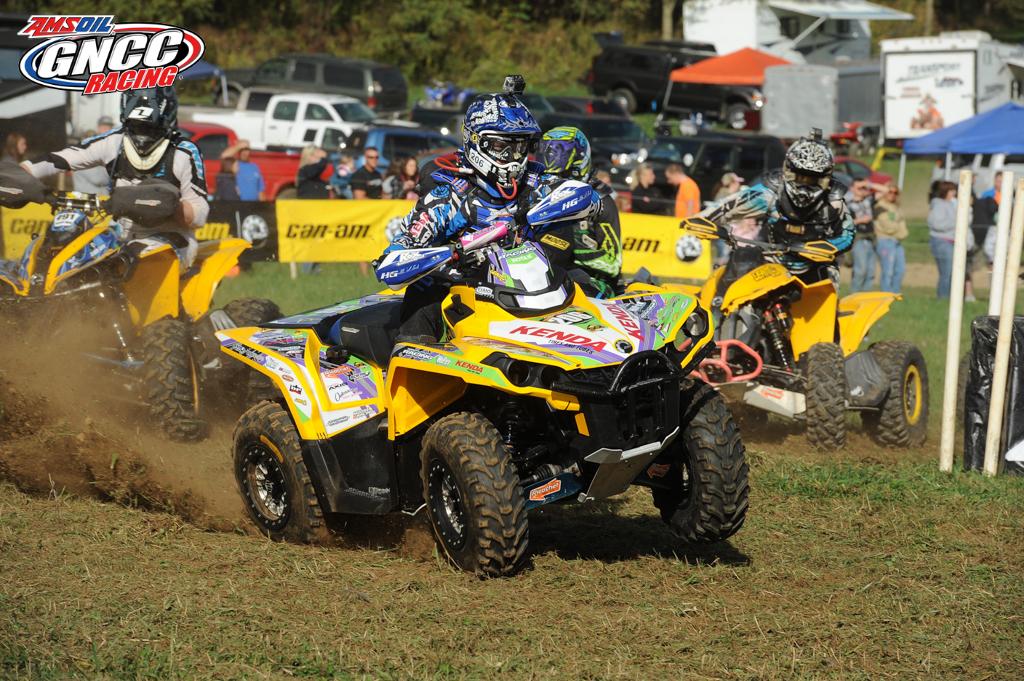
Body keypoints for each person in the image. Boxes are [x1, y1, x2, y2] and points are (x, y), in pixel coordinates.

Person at [381, 88, 598, 342]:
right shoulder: (450, 196)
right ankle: (414, 374)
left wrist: (532, 215)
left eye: (520, 147)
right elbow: (391, 265)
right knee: (423, 294)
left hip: (530, 287)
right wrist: (451, 254)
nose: (513, 157)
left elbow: (587, 196)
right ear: (477, 141)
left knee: (588, 285)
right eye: (501, 146)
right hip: (467, 288)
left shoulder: (533, 181)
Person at [23, 86, 208, 266]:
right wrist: (23, 172)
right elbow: (61, 158)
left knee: (127, 261)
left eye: (149, 127)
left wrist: (168, 206)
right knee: (67, 251)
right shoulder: (114, 141)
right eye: (136, 126)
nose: (142, 135)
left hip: (172, 239)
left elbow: (200, 213)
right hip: (122, 236)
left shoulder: (184, 152)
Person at [697, 129, 854, 292]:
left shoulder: (834, 202)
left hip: (815, 267)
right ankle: (720, 305)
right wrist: (702, 220)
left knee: (829, 290)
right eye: (800, 176)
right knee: (742, 256)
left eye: (813, 179)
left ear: (826, 177)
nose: (805, 184)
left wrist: (829, 246)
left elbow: (848, 234)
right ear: (788, 169)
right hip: (770, 263)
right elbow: (727, 206)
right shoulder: (770, 193)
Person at [536, 126, 622, 297]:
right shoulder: (538, 193)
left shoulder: (601, 199)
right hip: (545, 271)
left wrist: (572, 246)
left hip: (589, 280)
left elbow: (613, 264)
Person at [928, 180, 970, 299]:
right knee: (946, 273)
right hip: (942, 242)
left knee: (954, 273)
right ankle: (943, 298)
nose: (954, 193)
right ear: (944, 191)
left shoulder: (952, 204)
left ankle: (953, 298)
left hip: (952, 241)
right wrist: (957, 223)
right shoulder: (938, 205)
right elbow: (936, 224)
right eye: (951, 190)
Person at [874, 184, 908, 294]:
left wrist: (900, 230)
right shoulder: (880, 207)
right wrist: (899, 228)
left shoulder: (896, 207)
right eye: (890, 192)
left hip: (897, 241)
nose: (893, 195)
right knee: (888, 271)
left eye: (895, 192)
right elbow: (887, 226)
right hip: (885, 241)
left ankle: (895, 293)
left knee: (900, 270)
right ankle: (886, 294)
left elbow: (902, 224)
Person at [846, 178, 877, 292]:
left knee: (870, 272)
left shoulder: (868, 201)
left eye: (864, 188)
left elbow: (885, 191)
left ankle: (865, 299)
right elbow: (844, 223)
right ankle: (853, 296)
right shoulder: (848, 205)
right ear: (852, 189)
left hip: (870, 239)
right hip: (858, 240)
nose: (862, 190)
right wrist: (859, 220)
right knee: (860, 270)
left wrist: (869, 184)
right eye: (859, 188)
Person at [73, 117, 113, 194]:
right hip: (85, 198)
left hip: (100, 197)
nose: (107, 130)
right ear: (98, 128)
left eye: (109, 127)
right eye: (103, 127)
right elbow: (98, 179)